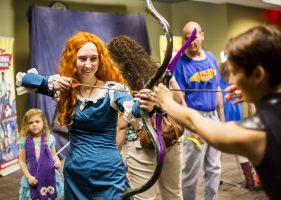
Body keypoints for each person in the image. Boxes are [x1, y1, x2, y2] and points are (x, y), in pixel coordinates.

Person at [153, 25, 281, 200]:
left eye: (235, 73)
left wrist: (167, 102)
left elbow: (194, 122)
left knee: (213, 167)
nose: (230, 80)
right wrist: (259, 89)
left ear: (258, 75)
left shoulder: (258, 131)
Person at [16, 32, 154, 199]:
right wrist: (50, 82)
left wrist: (144, 105)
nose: (88, 64)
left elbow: (132, 108)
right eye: (82, 58)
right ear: (72, 59)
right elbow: (25, 79)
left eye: (93, 58)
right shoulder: (64, 89)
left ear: (100, 59)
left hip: (109, 175)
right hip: (76, 175)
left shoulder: (113, 90)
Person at [107, 35, 184, 200]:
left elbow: (121, 125)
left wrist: (113, 159)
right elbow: (179, 99)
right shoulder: (157, 68)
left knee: (144, 198)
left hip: (140, 143)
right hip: (169, 136)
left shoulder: (119, 81)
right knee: (174, 195)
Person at [173, 21, 225, 200]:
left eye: (194, 38)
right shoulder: (180, 64)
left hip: (213, 118)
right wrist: (192, 126)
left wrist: (222, 120)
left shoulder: (210, 57)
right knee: (191, 171)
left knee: (214, 167)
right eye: (187, 39)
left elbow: (217, 89)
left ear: (202, 35)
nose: (191, 42)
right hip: (194, 119)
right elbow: (180, 98)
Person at [219, 62, 260, 190]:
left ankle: (250, 180)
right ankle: (217, 177)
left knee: (241, 149)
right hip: (229, 119)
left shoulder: (236, 81)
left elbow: (251, 103)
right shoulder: (222, 81)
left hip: (234, 119)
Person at [18, 108, 64, 200]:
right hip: (33, 178)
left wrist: (58, 162)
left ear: (43, 123)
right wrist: (29, 177)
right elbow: (22, 161)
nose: (34, 125)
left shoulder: (49, 138)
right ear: (26, 125)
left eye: (37, 121)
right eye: (30, 123)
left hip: (49, 177)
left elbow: (54, 155)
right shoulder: (24, 141)